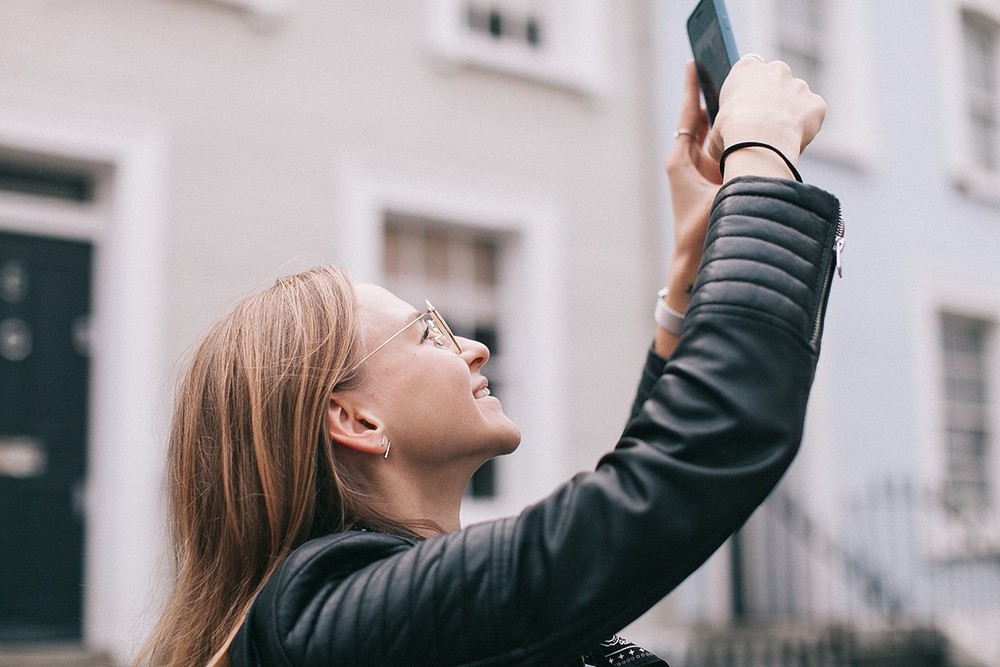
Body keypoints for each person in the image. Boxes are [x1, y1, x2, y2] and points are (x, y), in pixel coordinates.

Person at [139, 55, 841, 667]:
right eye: (426, 332)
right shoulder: (322, 617)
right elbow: (670, 480)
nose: (472, 346)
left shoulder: (360, 611)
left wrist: (691, 262)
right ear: (350, 416)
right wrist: (762, 164)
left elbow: (624, 508)